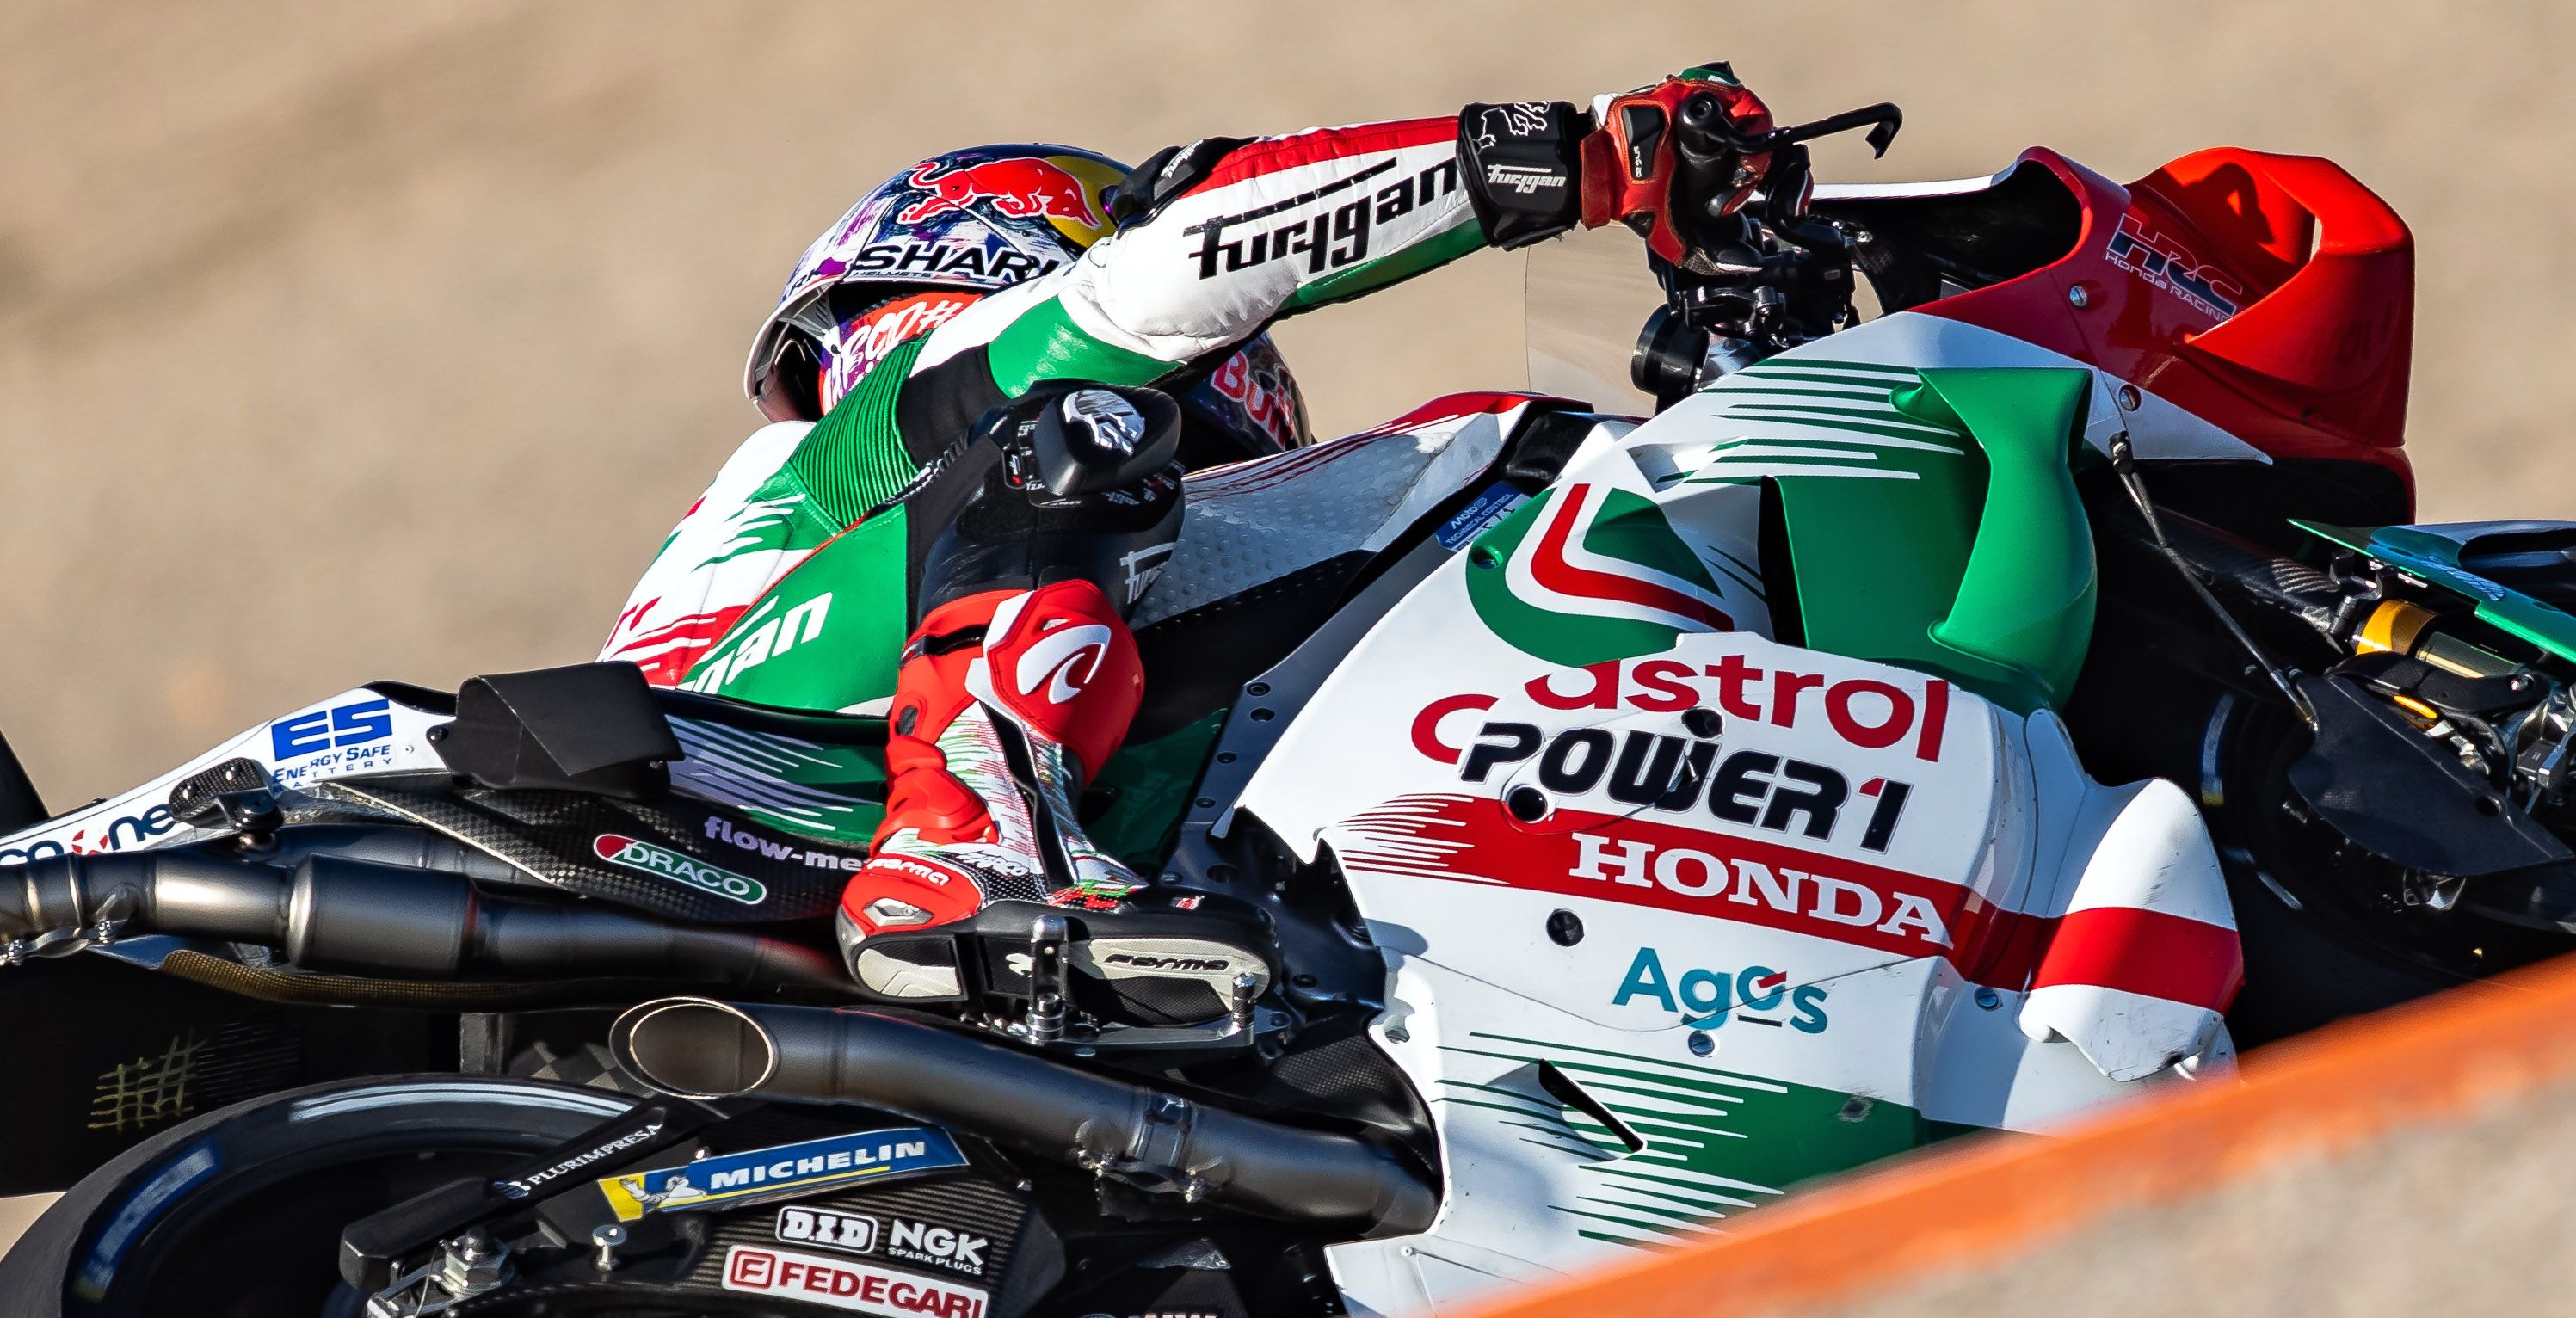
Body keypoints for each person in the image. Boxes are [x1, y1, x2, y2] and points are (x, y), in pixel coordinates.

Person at [600, 71, 1795, 1001]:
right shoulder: (869, 439)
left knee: (1507, 472)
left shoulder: (1090, 571)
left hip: (825, 810)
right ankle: (962, 849)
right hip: (711, 767)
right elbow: (1169, 279)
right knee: (1088, 430)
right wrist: (1586, 155)